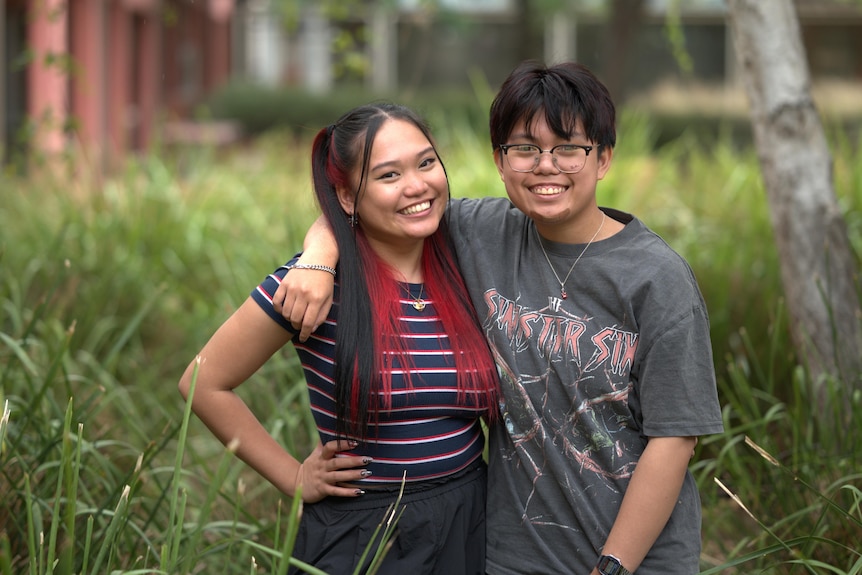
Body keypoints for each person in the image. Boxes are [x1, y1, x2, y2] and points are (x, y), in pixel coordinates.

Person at [276, 61, 724, 575]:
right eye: (525, 149)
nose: (546, 166)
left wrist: (614, 565)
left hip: (635, 560)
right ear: (500, 160)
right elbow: (378, 203)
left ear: (603, 158)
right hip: (508, 557)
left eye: (569, 149)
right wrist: (316, 258)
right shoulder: (480, 232)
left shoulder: (656, 278)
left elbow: (675, 441)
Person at [178, 103, 500, 575]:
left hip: (470, 519)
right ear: (348, 197)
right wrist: (292, 476)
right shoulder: (313, 284)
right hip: (367, 533)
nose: (417, 186)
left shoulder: (467, 261)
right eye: (389, 175)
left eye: (426, 162)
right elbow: (202, 383)